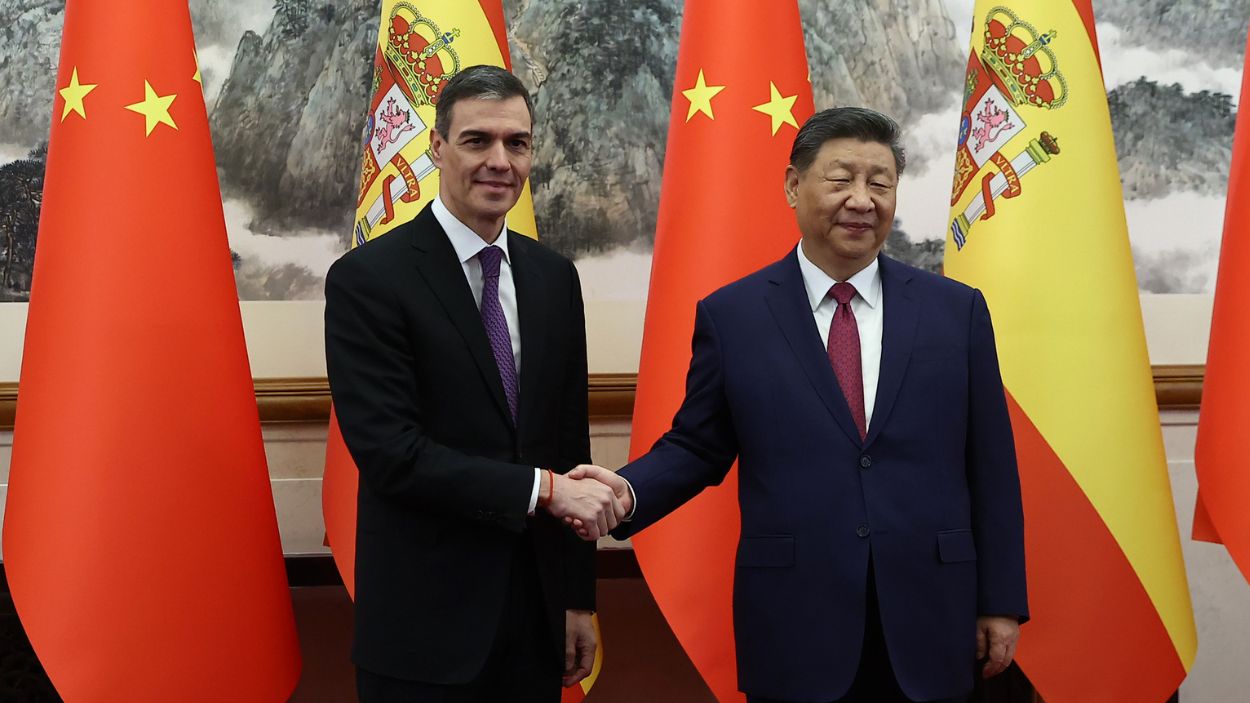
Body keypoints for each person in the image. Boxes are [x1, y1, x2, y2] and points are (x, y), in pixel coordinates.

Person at [573, 107, 1028, 703]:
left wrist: (1000, 602)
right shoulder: (734, 316)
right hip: (796, 620)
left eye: (880, 182)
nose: (861, 200)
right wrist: (625, 492)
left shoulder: (956, 311)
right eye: (840, 180)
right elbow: (697, 445)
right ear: (794, 185)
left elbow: (991, 465)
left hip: (932, 616)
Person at [325, 65, 623, 703]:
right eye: (476, 140)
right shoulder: (368, 280)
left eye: (517, 143)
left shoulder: (552, 278)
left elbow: (569, 444)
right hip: (424, 629)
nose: (499, 161)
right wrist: (541, 490)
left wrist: (575, 599)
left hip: (536, 622)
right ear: (437, 148)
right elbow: (389, 454)